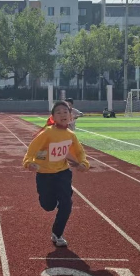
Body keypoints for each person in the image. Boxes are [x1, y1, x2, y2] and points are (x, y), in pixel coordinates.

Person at [23, 101, 90, 247]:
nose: (62, 115)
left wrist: (83, 163)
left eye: (65, 112)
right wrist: (28, 162)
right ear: (53, 117)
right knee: (48, 206)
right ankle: (55, 200)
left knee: (67, 204)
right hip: (45, 174)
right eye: (58, 112)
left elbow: (79, 151)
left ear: (70, 116)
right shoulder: (47, 133)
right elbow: (33, 148)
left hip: (62, 173)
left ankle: (57, 233)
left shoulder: (71, 135)